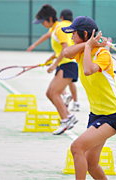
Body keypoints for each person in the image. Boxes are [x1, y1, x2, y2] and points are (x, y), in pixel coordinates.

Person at [61, 16, 116, 180]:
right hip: (96, 114)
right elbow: (65, 52)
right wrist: (88, 44)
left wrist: (91, 46)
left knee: (77, 148)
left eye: (73, 33)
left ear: (83, 33)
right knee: (91, 164)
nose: (71, 37)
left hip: (112, 114)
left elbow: (88, 70)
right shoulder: (82, 51)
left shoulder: (103, 54)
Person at [31, 4, 78, 135]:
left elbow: (66, 47)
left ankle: (65, 121)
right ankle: (69, 117)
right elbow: (60, 50)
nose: (42, 24)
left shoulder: (58, 30)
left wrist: (54, 64)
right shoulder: (55, 29)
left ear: (50, 19)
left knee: (55, 93)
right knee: (49, 93)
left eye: (43, 22)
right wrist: (51, 59)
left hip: (68, 64)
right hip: (63, 64)